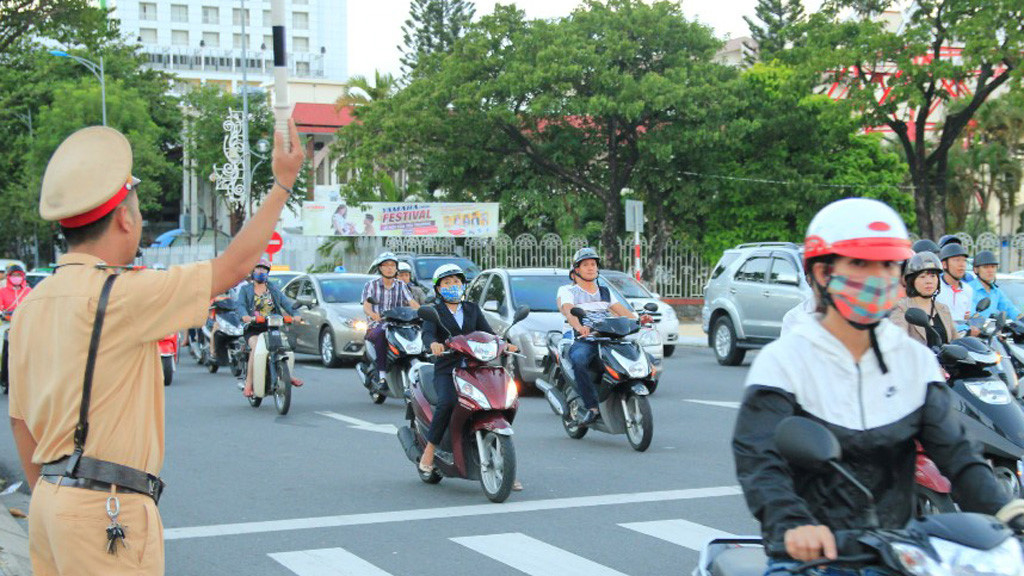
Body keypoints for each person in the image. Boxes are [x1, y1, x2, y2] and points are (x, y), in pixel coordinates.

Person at [8, 121, 304, 575]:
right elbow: (237, 265)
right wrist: (283, 181)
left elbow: (20, 418)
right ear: (125, 218)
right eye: (138, 209)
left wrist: (56, 494)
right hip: (106, 506)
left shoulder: (32, 304)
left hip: (51, 501)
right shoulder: (122, 293)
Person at [732, 198, 1023, 573]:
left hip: (894, 551)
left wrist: (1006, 510)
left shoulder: (914, 363)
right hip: (811, 557)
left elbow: (957, 454)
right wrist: (791, 523)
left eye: (887, 265)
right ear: (822, 273)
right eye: (860, 264)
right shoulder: (784, 362)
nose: (878, 277)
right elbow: (759, 459)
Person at [418, 265, 518, 470]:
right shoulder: (434, 311)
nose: (452, 286)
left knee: (500, 400)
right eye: (447, 283)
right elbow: (427, 333)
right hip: (448, 368)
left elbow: (488, 333)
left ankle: (505, 462)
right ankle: (430, 449)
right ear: (438, 289)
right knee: (447, 402)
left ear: (463, 285)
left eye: (456, 281)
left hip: (476, 367)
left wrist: (504, 344)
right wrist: (433, 344)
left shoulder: (472, 308)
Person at [557, 247, 644, 426]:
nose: (591, 268)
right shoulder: (567, 291)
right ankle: (592, 407)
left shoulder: (605, 291)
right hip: (584, 338)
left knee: (632, 355)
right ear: (576, 270)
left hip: (607, 336)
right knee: (579, 360)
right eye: (586, 264)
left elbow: (623, 312)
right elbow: (569, 311)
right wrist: (580, 327)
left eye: (594, 264)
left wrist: (640, 320)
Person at [236, 258, 300, 397]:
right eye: (258, 269)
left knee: (284, 347)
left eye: (264, 269)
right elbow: (240, 305)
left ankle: (287, 375)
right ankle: (248, 384)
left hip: (272, 327)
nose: (261, 271)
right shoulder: (245, 289)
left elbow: (286, 303)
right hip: (253, 328)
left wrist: (295, 314)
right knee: (256, 347)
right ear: (253, 271)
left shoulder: (273, 289)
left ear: (267, 272)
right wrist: (245, 316)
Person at [361, 252, 419, 391]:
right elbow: (366, 305)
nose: (389, 268)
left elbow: (412, 303)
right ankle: (382, 376)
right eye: (386, 265)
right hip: (377, 324)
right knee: (382, 333)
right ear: (380, 268)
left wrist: (423, 313)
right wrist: (373, 314)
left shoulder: (401, 285)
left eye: (392, 265)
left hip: (398, 324)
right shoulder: (371, 285)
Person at [890, 252, 957, 346]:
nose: (929, 281)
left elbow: (956, 341)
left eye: (933, 276)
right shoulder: (902, 308)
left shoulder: (943, 309)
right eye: (922, 277)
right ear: (912, 281)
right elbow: (898, 341)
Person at [0, 264, 33, 389]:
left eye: (19, 275)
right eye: (14, 275)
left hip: (25, 325)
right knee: (5, 350)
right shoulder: (2, 292)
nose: (16, 277)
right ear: (8, 277)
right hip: (8, 325)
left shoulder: (29, 291)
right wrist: (3, 314)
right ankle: (5, 379)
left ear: (23, 276)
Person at [934, 241, 977, 336]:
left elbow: (967, 317)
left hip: (963, 338)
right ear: (944, 264)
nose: (962, 264)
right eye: (957, 260)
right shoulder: (934, 287)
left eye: (964, 260)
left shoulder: (968, 290)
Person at [968, 250, 1022, 320]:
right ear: (976, 270)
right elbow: (970, 314)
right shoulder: (968, 289)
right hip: (969, 329)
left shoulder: (996, 292)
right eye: (985, 267)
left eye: (993, 267)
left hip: (991, 329)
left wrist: (1020, 318)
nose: (990, 270)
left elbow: (1010, 309)